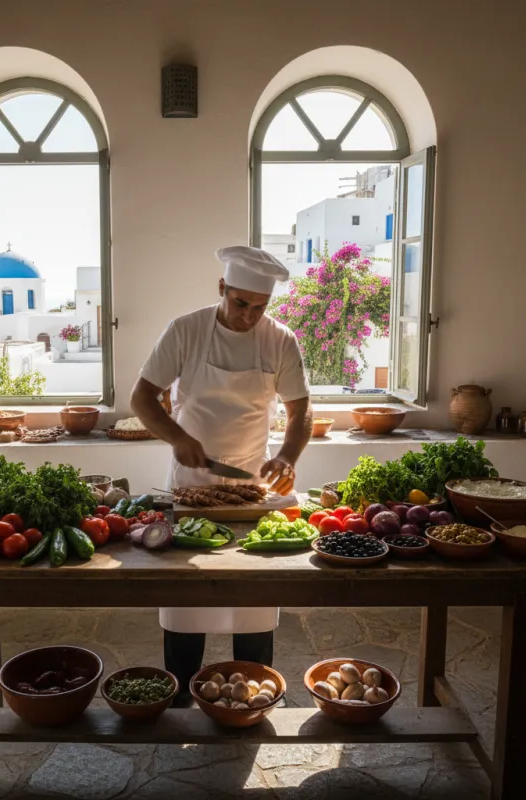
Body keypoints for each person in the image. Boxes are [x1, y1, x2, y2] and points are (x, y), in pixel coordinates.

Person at [131, 245, 312, 702]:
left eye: (259, 307)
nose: (249, 316)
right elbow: (142, 399)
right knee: (187, 602)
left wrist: (287, 457)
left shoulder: (280, 340)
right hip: (192, 484)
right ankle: (180, 697)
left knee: (251, 600)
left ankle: (250, 696)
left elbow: (301, 412)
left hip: (253, 486)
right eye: (240, 303)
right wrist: (177, 437)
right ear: (222, 289)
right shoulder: (186, 330)